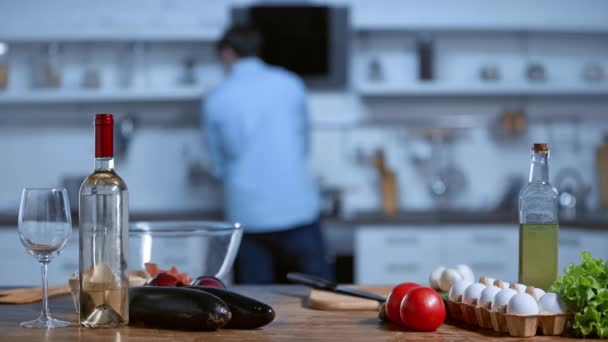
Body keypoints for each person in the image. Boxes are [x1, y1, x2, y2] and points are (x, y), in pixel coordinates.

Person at [202, 25, 331, 284]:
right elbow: (304, 143)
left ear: (228, 53)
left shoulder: (216, 99)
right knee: (322, 296)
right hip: (299, 211)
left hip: (249, 217)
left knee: (258, 304)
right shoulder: (291, 84)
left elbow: (218, 166)